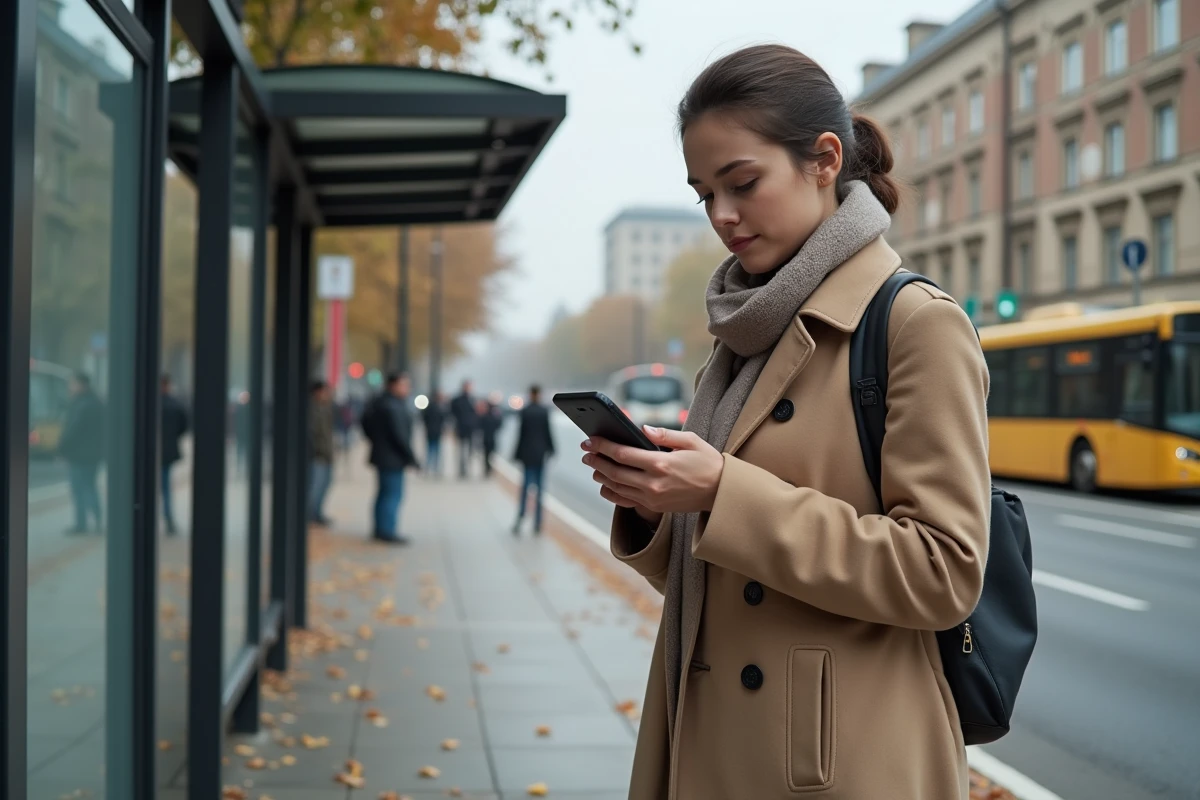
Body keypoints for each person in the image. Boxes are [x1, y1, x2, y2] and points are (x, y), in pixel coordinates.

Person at [582, 45, 990, 800]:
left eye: (742, 183)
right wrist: (654, 506)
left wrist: (721, 493)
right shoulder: (742, 334)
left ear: (825, 160)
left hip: (838, 761)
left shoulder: (914, 324)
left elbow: (944, 572)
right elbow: (722, 581)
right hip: (711, 737)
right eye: (704, 194)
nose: (722, 217)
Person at [362, 373, 419, 544]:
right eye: (404, 385)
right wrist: (411, 457)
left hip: (384, 455)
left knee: (384, 493)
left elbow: (365, 423)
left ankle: (381, 528)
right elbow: (400, 435)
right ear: (393, 385)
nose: (407, 389)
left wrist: (376, 440)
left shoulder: (380, 403)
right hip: (392, 458)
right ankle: (387, 531)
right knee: (392, 495)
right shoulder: (392, 406)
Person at [59, 372, 106, 535]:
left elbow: (72, 430)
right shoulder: (97, 402)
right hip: (94, 454)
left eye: (72, 383)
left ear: (81, 384)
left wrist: (62, 450)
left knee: (79, 489)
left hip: (78, 454)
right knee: (90, 487)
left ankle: (81, 524)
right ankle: (98, 520)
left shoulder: (80, 404)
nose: (70, 387)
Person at [512, 385, 555, 535]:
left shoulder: (525, 411)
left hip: (527, 455)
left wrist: (516, 454)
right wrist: (551, 449)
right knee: (540, 490)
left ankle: (521, 517)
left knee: (525, 488)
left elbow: (521, 435)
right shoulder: (544, 411)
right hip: (540, 454)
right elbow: (548, 432)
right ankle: (538, 522)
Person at [160, 374, 189, 535]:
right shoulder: (175, 404)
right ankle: (168, 519)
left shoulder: (148, 402)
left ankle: (166, 517)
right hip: (169, 451)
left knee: (160, 487)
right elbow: (184, 426)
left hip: (158, 452)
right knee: (165, 487)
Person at [309, 380, 335, 526]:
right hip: (318, 454)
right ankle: (311, 514)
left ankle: (317, 513)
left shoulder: (326, 408)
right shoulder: (313, 410)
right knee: (316, 486)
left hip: (325, 453)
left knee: (324, 484)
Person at [449, 380, 478, 479]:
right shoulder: (457, 400)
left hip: (470, 429)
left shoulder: (473, 399)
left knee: (470, 451)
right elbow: (452, 414)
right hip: (461, 428)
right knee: (461, 450)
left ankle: (467, 469)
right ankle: (462, 469)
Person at [421, 390, 448, 477]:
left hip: (432, 431)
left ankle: (430, 468)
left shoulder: (430, 407)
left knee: (432, 450)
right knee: (434, 450)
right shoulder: (439, 407)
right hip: (434, 431)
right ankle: (433, 469)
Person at [475, 397, 502, 477]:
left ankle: (487, 468)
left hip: (486, 437)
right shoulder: (494, 416)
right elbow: (499, 425)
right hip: (491, 437)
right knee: (490, 454)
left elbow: (479, 425)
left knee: (487, 455)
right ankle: (488, 468)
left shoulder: (484, 416)